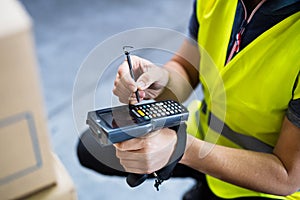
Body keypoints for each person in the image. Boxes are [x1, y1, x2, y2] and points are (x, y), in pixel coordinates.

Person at [77, 0, 300, 199]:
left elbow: (287, 177)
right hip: (206, 134)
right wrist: (161, 79)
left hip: (264, 183)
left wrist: (182, 149)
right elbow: (187, 66)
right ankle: (204, 180)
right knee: (92, 147)